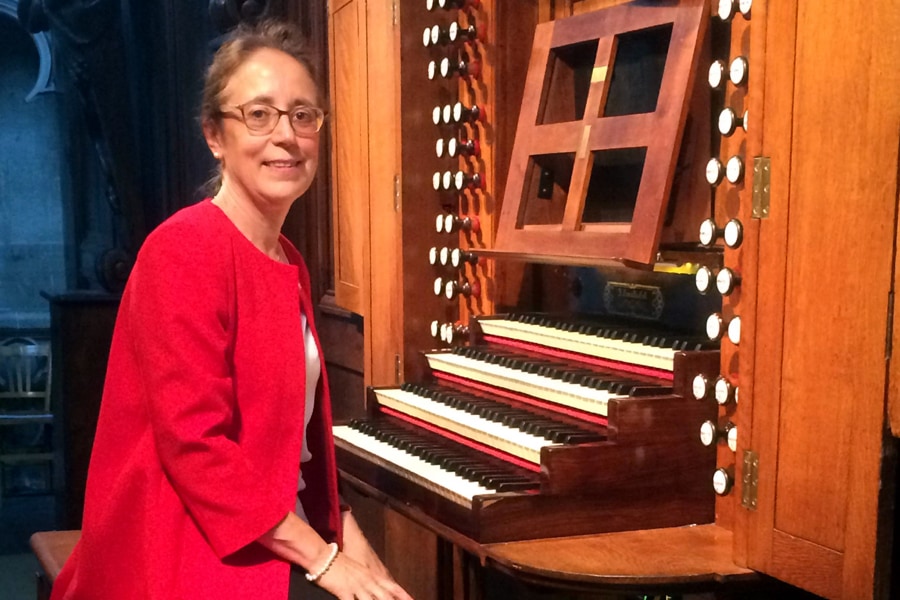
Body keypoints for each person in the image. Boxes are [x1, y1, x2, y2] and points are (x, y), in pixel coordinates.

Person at [51, 19, 413, 600]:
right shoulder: (183, 249)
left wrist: (349, 539)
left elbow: (296, 449)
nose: (286, 135)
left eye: (303, 115)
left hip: (271, 533)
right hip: (187, 544)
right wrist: (327, 560)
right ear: (214, 136)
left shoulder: (287, 258)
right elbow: (196, 446)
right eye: (259, 114)